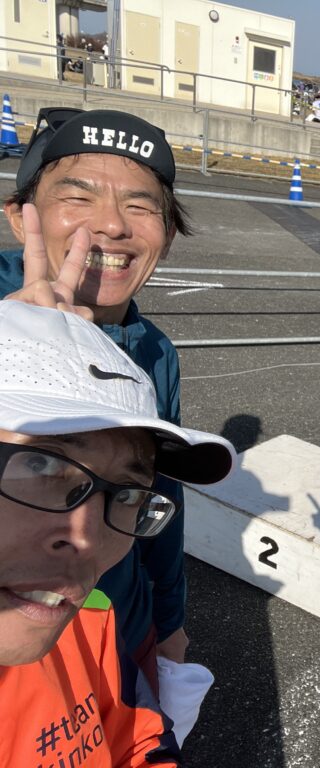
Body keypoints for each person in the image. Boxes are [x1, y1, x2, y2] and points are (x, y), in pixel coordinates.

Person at [2, 108, 196, 700]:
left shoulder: (155, 350)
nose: (111, 224)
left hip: (117, 626)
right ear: (20, 218)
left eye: (140, 206)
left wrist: (168, 621)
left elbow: (160, 497)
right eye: (78, 196)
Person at [0, 300, 235, 766]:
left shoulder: (91, 620)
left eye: (126, 494)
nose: (87, 538)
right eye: (41, 464)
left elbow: (138, 741)